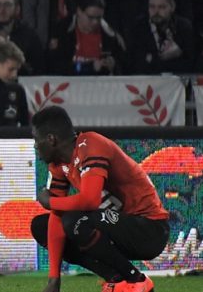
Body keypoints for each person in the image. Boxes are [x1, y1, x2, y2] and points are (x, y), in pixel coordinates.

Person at [29, 106, 170, 292]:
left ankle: (136, 280)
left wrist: (49, 202)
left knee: (75, 221)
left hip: (150, 230)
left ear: (51, 139)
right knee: (41, 226)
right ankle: (116, 279)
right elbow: (56, 217)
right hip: (118, 227)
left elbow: (89, 201)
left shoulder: (92, 144)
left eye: (36, 140)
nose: (35, 146)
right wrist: (54, 279)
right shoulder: (58, 165)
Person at [130, 0, 197, 74]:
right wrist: (168, 58)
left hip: (177, 84)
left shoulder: (183, 27)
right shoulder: (138, 28)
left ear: (172, 7)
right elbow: (136, 64)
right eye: (152, 7)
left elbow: (190, 63)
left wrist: (152, 59)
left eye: (161, 7)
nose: (156, 11)